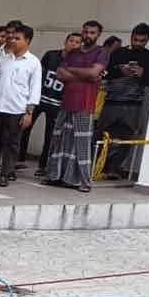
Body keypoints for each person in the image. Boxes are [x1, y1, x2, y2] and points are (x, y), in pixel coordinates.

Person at [48, 20, 109, 192]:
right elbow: (60, 73)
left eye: (92, 33)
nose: (88, 35)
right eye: (86, 32)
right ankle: (56, 176)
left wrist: (73, 71)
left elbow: (94, 72)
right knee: (59, 140)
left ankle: (83, 182)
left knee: (81, 143)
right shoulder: (73, 53)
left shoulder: (101, 52)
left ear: (98, 35)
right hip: (67, 102)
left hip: (85, 103)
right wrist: (85, 74)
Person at [95, 23, 149, 180]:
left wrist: (143, 74)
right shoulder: (118, 53)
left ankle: (114, 168)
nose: (138, 43)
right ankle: (95, 166)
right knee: (101, 135)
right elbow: (103, 73)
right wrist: (119, 71)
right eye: (135, 39)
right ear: (131, 37)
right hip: (111, 101)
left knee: (126, 137)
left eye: (142, 41)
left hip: (134, 105)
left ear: (147, 40)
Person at [0, 23, 41, 186]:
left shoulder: (33, 63)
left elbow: (35, 89)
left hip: (16, 110)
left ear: (27, 41)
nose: (13, 41)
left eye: (18, 38)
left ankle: (5, 173)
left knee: (11, 144)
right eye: (12, 38)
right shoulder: (3, 58)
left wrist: (29, 113)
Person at [30, 33, 82, 178]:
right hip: (40, 98)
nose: (73, 44)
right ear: (65, 42)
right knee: (24, 127)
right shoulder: (51, 55)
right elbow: (38, 75)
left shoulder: (78, 63)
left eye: (77, 42)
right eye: (71, 40)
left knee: (50, 136)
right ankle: (17, 159)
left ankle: (43, 165)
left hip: (58, 103)